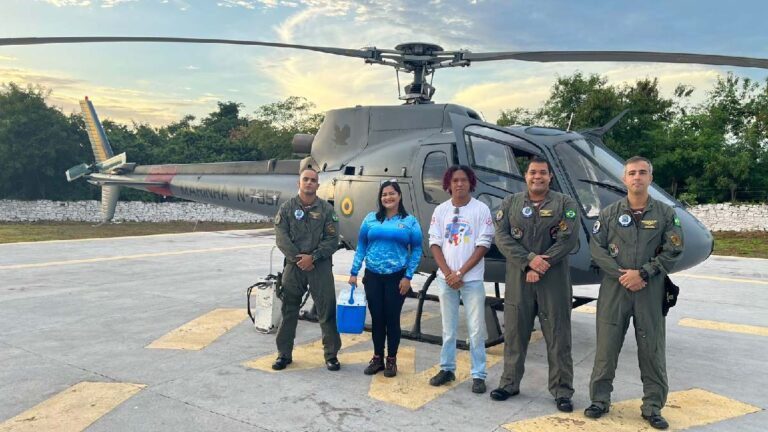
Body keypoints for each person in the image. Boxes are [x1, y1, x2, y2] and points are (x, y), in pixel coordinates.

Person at [584, 156, 684, 430]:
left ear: (650, 178)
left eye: (642, 172)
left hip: (650, 290)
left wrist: (644, 273)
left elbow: (674, 249)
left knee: (652, 350)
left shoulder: (665, 214)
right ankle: (599, 400)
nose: (637, 177)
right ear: (624, 179)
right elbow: (597, 249)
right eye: (632, 173)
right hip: (615, 290)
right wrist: (623, 275)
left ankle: (653, 406)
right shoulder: (609, 214)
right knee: (606, 348)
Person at [491, 156, 581, 412]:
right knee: (514, 333)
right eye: (533, 172)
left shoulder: (565, 203)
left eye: (542, 172)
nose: (537, 177)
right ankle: (509, 383)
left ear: (550, 176)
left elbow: (567, 239)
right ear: (526, 176)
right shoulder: (511, 203)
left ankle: (562, 390)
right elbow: (502, 237)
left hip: (553, 280)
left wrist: (541, 264)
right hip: (519, 279)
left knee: (558, 336)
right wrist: (529, 261)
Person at [427, 165, 494, 394]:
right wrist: (448, 273)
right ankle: (447, 368)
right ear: (448, 183)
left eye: (463, 180)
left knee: (476, 330)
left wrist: (460, 273)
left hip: (471, 280)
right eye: (455, 180)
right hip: (445, 280)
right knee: (448, 328)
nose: (459, 184)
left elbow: (483, 244)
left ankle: (478, 374)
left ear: (470, 182)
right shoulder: (441, 211)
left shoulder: (481, 210)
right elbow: (435, 243)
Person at [348, 180, 423, 377]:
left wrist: (408, 276)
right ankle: (377, 358)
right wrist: (354, 272)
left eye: (391, 193)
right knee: (377, 318)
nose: (387, 197)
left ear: (399, 196)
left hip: (396, 278)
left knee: (392, 319)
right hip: (372, 276)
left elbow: (417, 249)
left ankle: (391, 360)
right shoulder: (370, 219)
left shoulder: (410, 222)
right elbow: (361, 246)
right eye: (384, 194)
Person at [272, 168, 342, 371]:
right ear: (299, 183)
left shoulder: (327, 210)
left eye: (313, 180)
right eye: (306, 179)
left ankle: (331, 355)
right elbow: (281, 237)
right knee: (288, 309)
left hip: (320, 266)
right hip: (294, 267)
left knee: (327, 310)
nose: (309, 182)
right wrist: (299, 259)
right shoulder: (287, 208)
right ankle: (284, 354)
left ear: (318, 185)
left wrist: (314, 257)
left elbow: (332, 240)